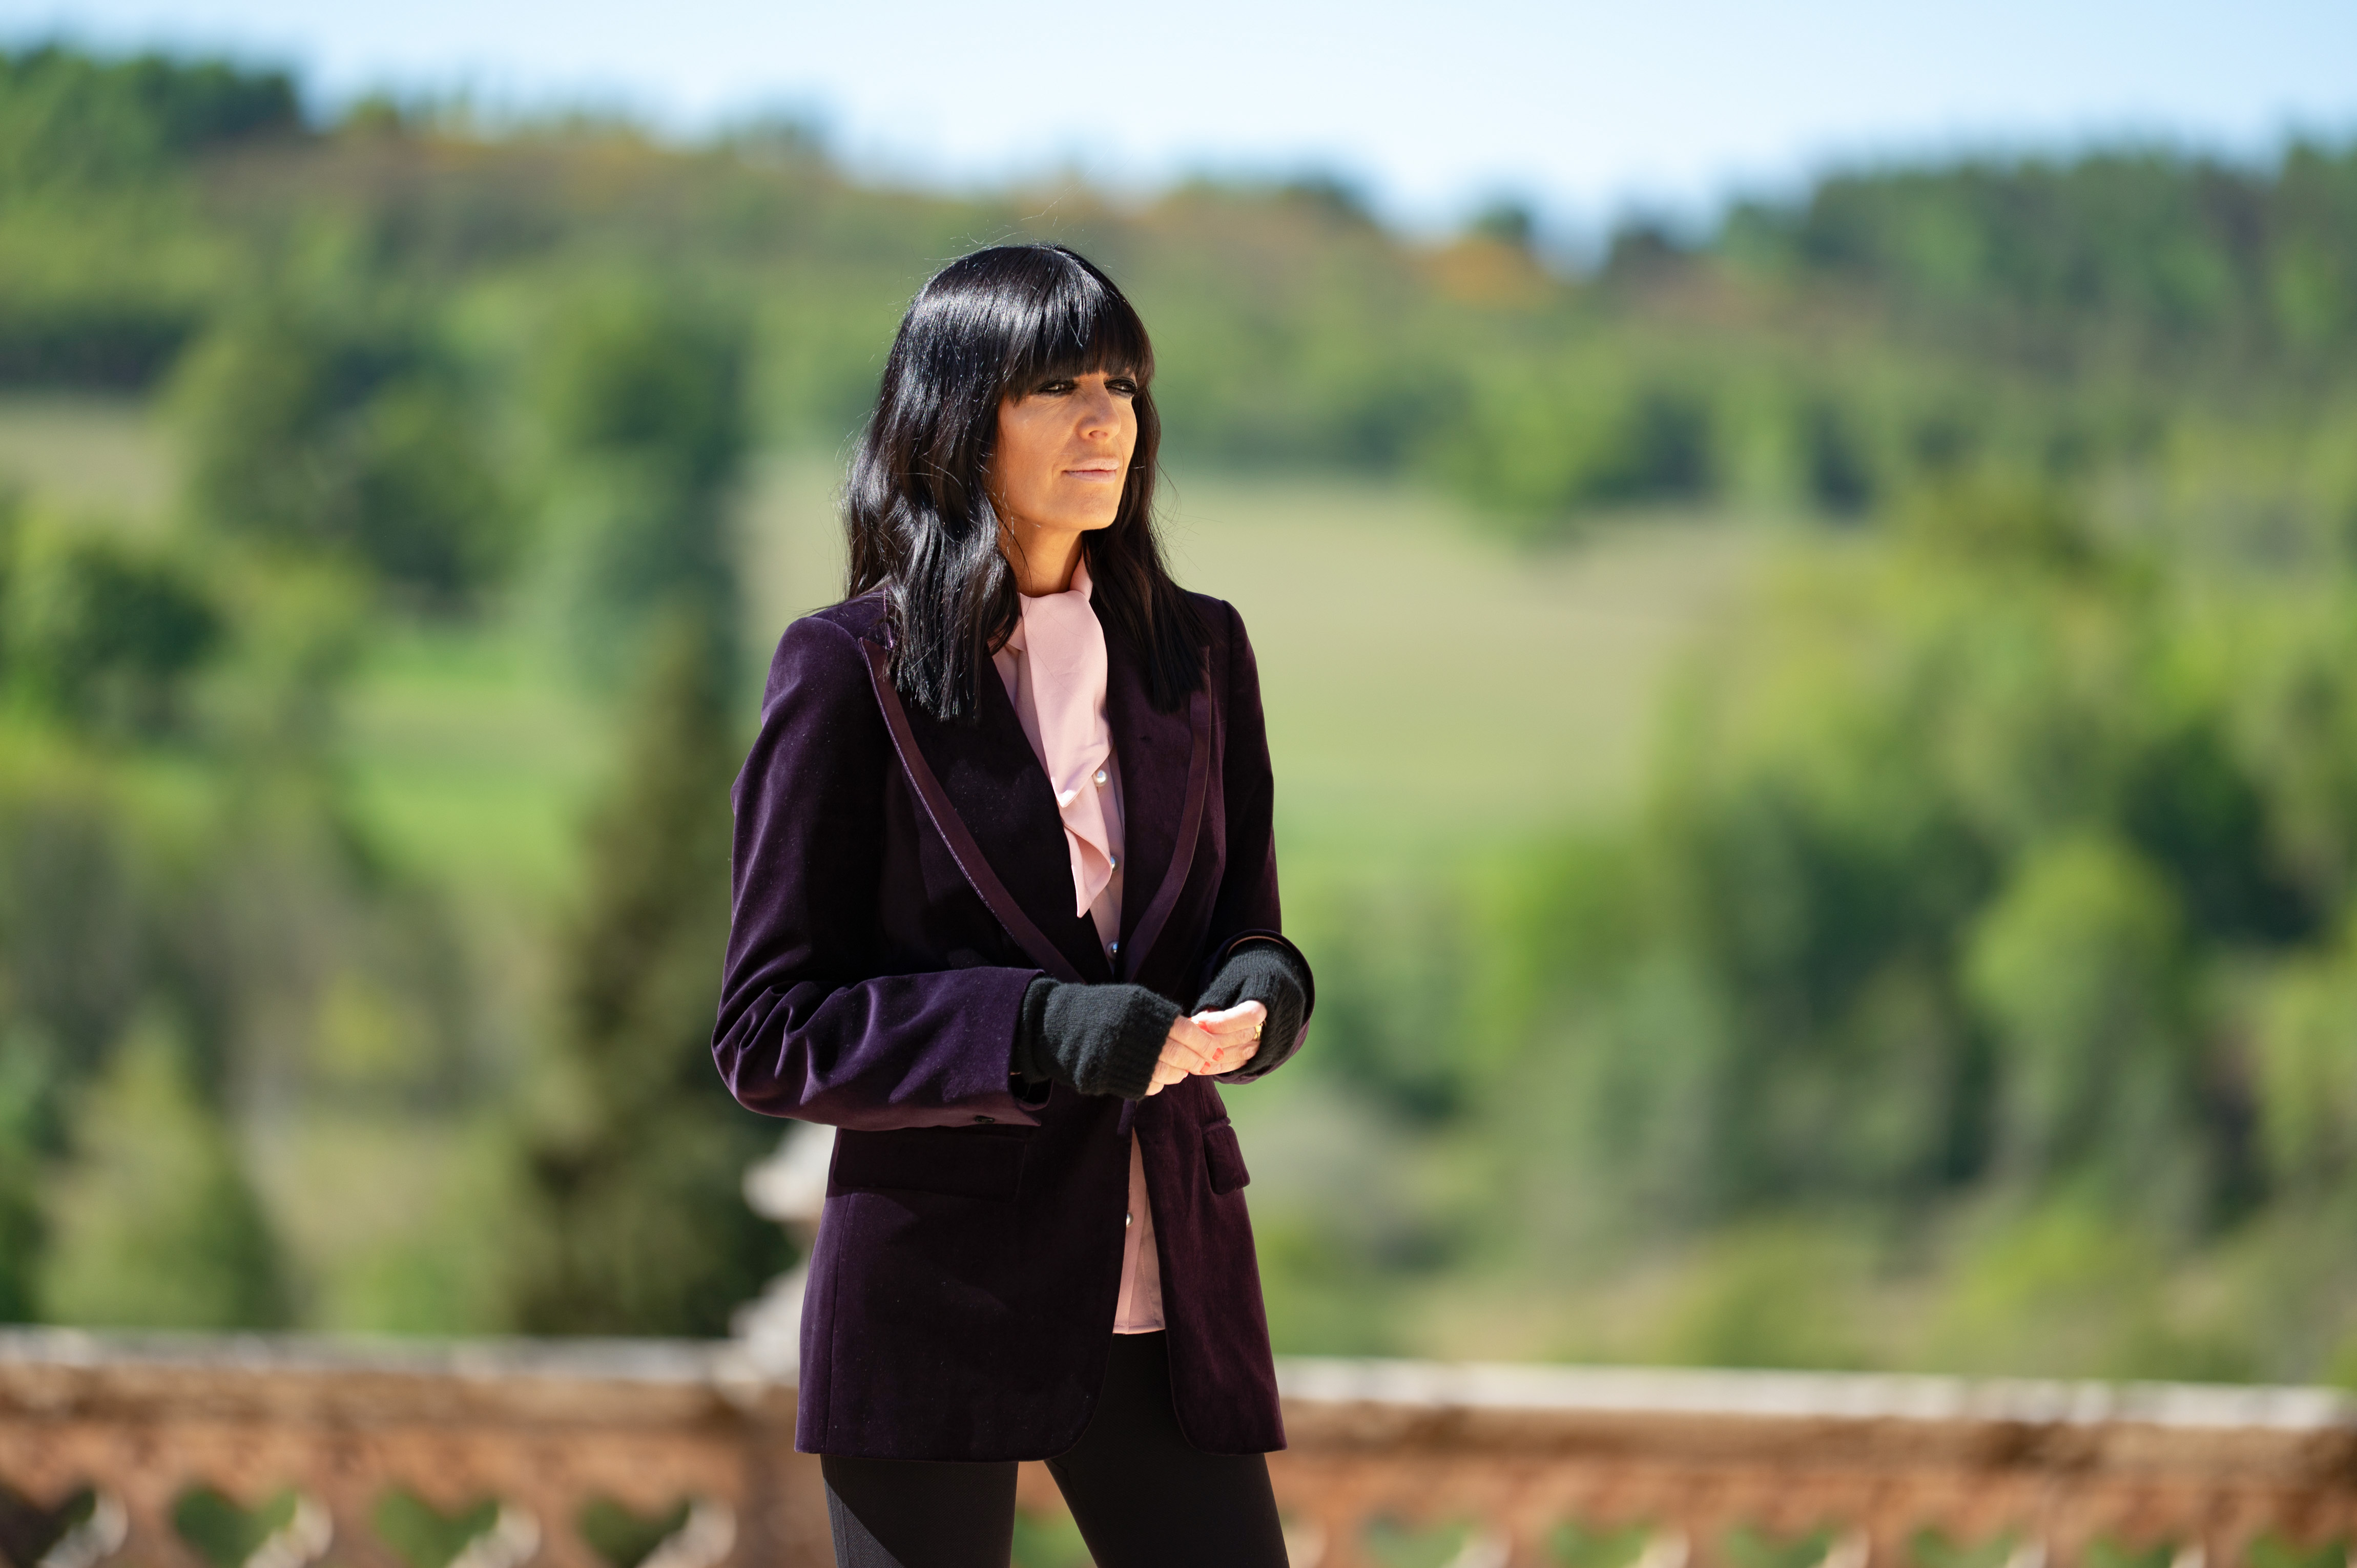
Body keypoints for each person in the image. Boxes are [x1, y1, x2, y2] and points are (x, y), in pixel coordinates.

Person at [712, 243, 1314, 1568]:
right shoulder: (845, 669)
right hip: (933, 1284)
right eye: (1057, 385)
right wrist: (1035, 1026)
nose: (1107, 417)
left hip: (1174, 1275)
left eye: (1122, 383)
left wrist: (1264, 995)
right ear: (957, 415)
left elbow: (1247, 927)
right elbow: (769, 1029)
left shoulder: (1201, 653)